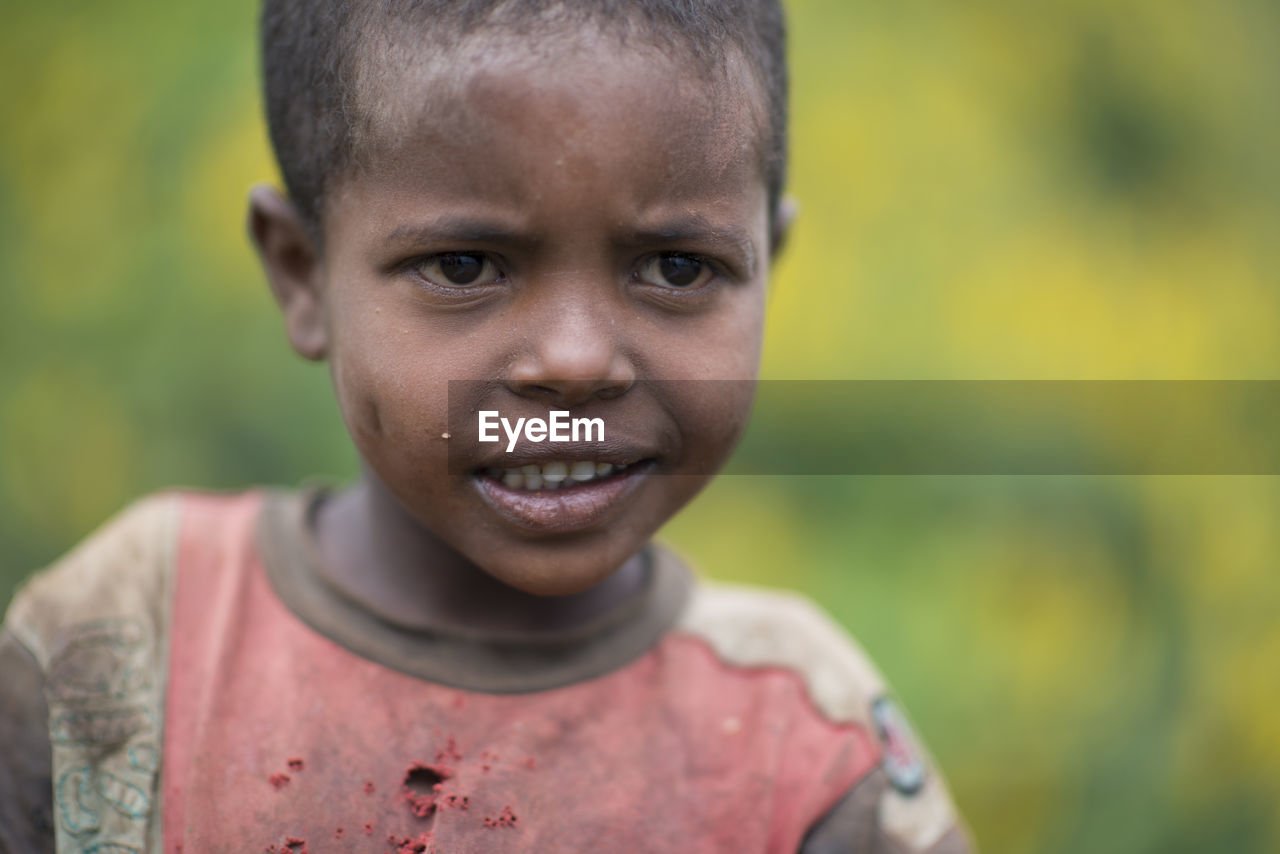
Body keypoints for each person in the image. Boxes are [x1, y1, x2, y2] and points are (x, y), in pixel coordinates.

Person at [0, 1, 974, 851]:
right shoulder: (121, 641)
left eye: (676, 267)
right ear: (302, 273)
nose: (575, 361)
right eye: (465, 266)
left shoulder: (806, 735)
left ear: (767, 261)